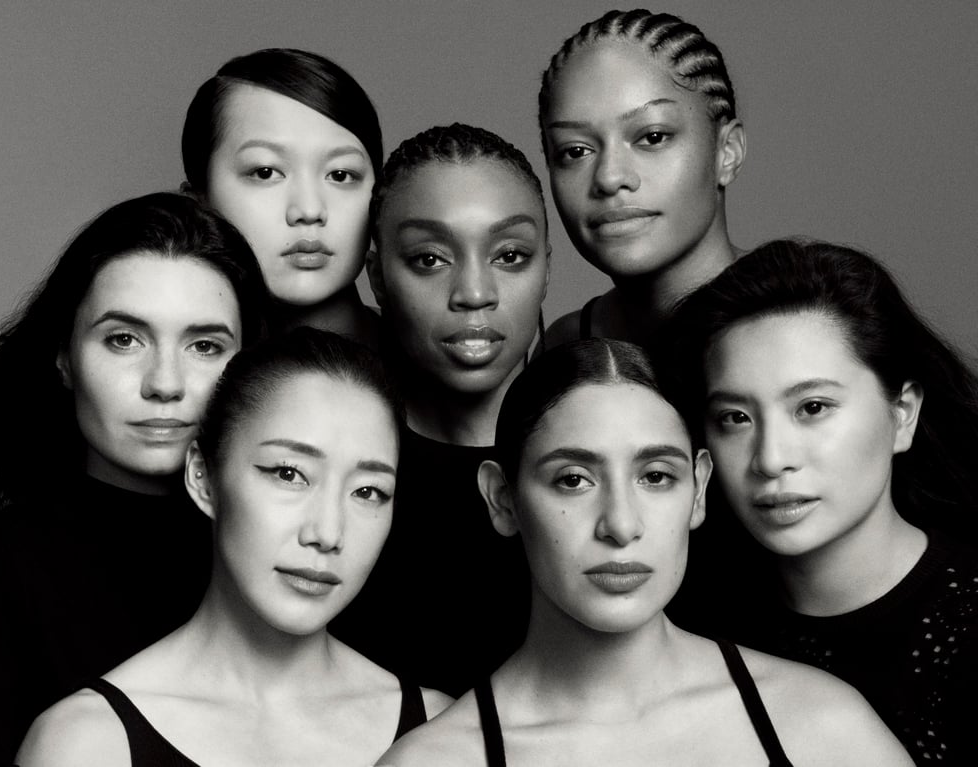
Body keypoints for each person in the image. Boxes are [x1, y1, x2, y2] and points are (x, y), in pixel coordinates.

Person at [378, 338, 912, 766]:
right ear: (502, 499)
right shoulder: (436, 760)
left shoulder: (819, 724)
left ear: (698, 491)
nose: (621, 525)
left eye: (656, 477)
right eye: (573, 479)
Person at [16, 328, 450, 767]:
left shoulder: (444, 734)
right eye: (288, 473)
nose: (327, 532)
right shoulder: (84, 744)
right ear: (203, 477)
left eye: (368, 492)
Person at [0, 192, 269, 766]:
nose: (164, 384)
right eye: (124, 339)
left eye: (205, 346)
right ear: (64, 357)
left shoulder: (296, 562)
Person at [664, 238, 978, 764]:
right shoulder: (692, 624)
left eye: (812, 407)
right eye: (735, 418)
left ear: (902, 414)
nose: (771, 458)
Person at [329, 123, 550, 695]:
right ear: (378, 277)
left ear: (546, 267)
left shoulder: (608, 458)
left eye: (510, 255)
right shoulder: (331, 468)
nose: (474, 293)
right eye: (429, 259)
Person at [538, 9, 745, 347]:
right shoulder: (567, 347)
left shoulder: (819, 316)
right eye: (575, 151)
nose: (609, 177)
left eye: (652, 137)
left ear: (728, 151)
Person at [182, 47, 384, 346]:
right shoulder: (168, 369)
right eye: (265, 172)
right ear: (198, 203)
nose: (309, 210)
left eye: (340, 175)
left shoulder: (434, 366)